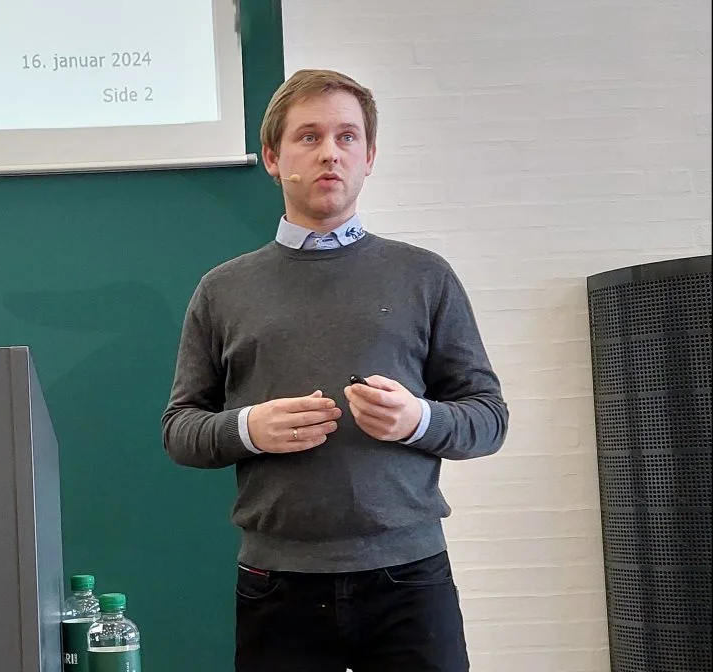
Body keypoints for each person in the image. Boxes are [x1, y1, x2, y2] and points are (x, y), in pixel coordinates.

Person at [160, 69, 509, 672]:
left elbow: (488, 418)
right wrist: (248, 430)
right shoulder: (223, 290)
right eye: (309, 136)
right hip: (278, 584)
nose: (329, 153)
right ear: (272, 157)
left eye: (347, 137)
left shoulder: (425, 277)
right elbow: (180, 430)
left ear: (369, 156)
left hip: (410, 582)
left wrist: (417, 419)